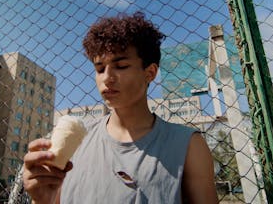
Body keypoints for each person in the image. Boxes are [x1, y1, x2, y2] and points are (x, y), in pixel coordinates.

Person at [23, 12, 218, 203]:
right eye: (100, 69)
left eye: (121, 66)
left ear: (150, 72)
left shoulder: (188, 145)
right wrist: (42, 200)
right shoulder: (75, 141)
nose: (107, 78)